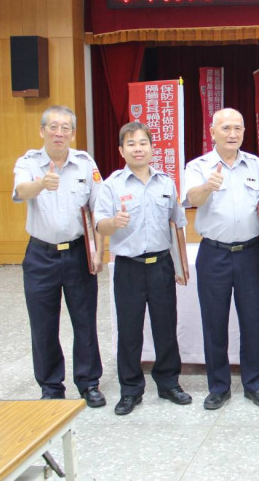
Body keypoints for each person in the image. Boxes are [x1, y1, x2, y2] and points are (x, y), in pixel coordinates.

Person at [183, 108, 259, 410]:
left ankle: (255, 385)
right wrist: (207, 186)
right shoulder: (198, 166)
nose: (232, 133)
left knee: (252, 321)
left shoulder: (255, 165)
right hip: (213, 254)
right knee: (214, 323)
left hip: (250, 253)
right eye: (225, 128)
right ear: (212, 132)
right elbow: (191, 199)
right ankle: (218, 387)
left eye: (238, 128)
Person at [95, 121, 191, 415]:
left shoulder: (166, 183)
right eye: (131, 144)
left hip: (161, 265)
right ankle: (130, 390)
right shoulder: (111, 185)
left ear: (151, 148)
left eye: (143, 143)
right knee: (129, 331)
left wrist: (180, 266)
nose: (138, 149)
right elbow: (99, 225)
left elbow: (177, 225)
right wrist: (114, 223)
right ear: (121, 150)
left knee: (166, 327)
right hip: (129, 268)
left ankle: (168, 383)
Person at [12, 105, 105, 407]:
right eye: (53, 127)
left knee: (85, 321)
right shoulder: (28, 162)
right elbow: (20, 191)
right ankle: (51, 386)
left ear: (73, 134)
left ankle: (88, 383)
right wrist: (41, 184)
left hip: (78, 253)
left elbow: (99, 208)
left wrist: (99, 251)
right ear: (42, 131)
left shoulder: (85, 163)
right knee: (43, 325)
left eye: (65, 128)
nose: (59, 133)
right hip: (41, 255)